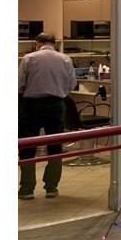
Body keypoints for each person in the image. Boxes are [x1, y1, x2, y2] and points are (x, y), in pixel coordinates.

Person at [19, 32, 77, 199]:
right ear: (54, 43)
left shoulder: (29, 58)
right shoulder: (65, 59)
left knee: (28, 146)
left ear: (38, 43)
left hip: (31, 105)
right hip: (56, 105)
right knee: (55, 145)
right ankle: (51, 187)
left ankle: (27, 189)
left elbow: (19, 84)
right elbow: (72, 84)